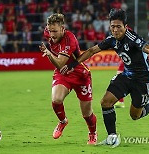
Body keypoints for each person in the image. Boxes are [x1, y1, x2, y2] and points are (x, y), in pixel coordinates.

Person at [60, 9, 149, 148]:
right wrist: (73, 64)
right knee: (106, 102)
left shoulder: (132, 38)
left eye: (118, 27)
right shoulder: (111, 40)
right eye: (112, 26)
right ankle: (112, 137)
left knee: (134, 116)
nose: (115, 30)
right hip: (126, 76)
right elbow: (91, 51)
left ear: (125, 27)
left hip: (143, 80)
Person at [39, 13, 97, 144]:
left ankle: (92, 133)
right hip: (63, 73)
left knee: (86, 114)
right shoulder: (48, 33)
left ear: (62, 28)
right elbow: (60, 67)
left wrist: (48, 53)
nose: (52, 34)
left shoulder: (69, 39)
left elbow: (60, 63)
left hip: (80, 75)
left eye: (55, 31)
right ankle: (63, 122)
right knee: (56, 99)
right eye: (50, 30)